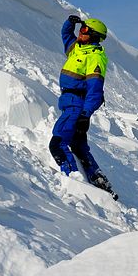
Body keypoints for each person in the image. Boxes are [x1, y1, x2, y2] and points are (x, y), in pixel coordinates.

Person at [48, 15, 115, 197]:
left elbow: (95, 90)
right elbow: (66, 35)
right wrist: (71, 23)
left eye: (84, 30)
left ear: (93, 36)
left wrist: (85, 115)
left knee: (58, 143)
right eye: (81, 28)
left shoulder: (95, 57)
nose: (80, 31)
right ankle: (98, 179)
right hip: (69, 102)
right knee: (78, 146)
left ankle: (74, 183)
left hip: (76, 106)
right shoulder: (77, 49)